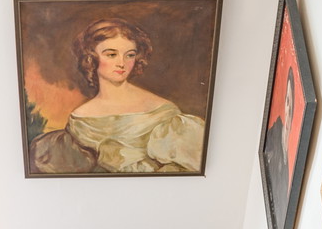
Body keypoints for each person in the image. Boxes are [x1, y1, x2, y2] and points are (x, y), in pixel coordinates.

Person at [29, 17, 206, 175]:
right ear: (91, 58)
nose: (122, 63)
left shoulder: (162, 111)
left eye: (130, 55)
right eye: (111, 54)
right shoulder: (80, 117)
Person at [264, 67, 294, 229]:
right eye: (286, 102)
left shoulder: (287, 154)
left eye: (291, 102)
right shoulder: (274, 133)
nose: (288, 109)